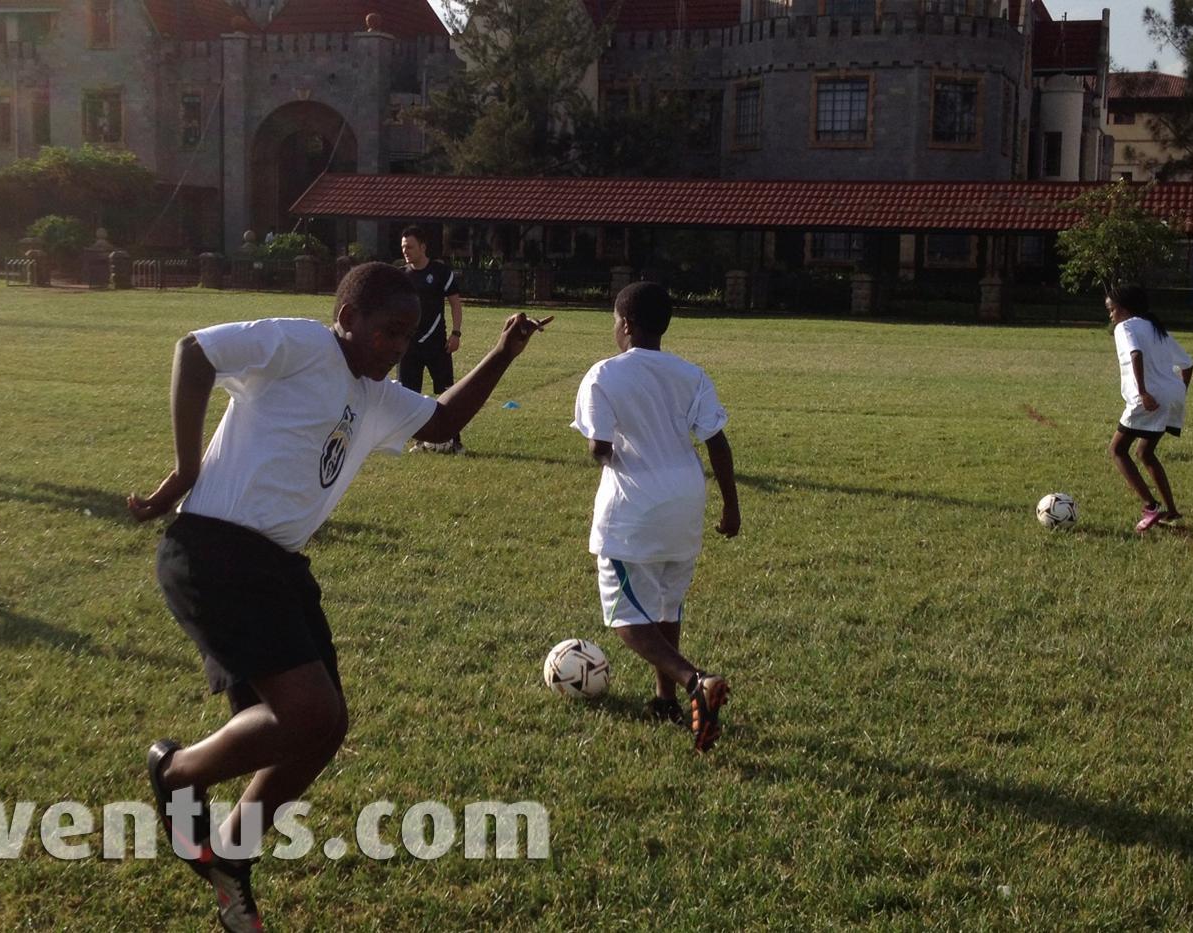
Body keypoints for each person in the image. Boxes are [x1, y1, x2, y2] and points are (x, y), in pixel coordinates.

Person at [127, 262, 549, 932]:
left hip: (278, 568)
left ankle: (230, 856)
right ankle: (177, 772)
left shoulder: (374, 393)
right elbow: (196, 350)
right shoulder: (302, 346)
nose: (397, 347)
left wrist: (502, 352)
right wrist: (184, 469)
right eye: (386, 331)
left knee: (321, 730)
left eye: (407, 336)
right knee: (307, 713)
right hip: (215, 552)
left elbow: (439, 423)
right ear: (347, 318)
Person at [571, 282, 740, 752]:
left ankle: (694, 681)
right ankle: (664, 698)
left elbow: (599, 448)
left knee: (625, 616)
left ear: (624, 324)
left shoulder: (604, 374)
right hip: (687, 501)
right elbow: (717, 442)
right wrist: (731, 505)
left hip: (633, 509)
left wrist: (605, 448)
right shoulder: (691, 373)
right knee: (666, 602)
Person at [1106, 283, 1193, 532]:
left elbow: (1135, 354)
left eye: (1112, 310)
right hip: (1172, 395)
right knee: (1145, 453)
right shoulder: (1156, 328)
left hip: (1149, 398)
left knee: (1117, 450)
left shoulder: (1125, 327)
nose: (1110, 316)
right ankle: (1172, 511)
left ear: (1124, 309)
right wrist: (1178, 393)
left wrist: (1144, 392)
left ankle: (1150, 506)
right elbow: (1188, 364)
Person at [398, 225, 465, 453]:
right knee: (409, 396)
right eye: (403, 247)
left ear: (423, 247)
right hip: (408, 348)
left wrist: (456, 333)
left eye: (410, 246)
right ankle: (419, 441)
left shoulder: (440, 272)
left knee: (447, 393)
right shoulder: (401, 276)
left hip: (438, 345)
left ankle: (455, 441)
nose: (406, 251)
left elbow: (455, 302)